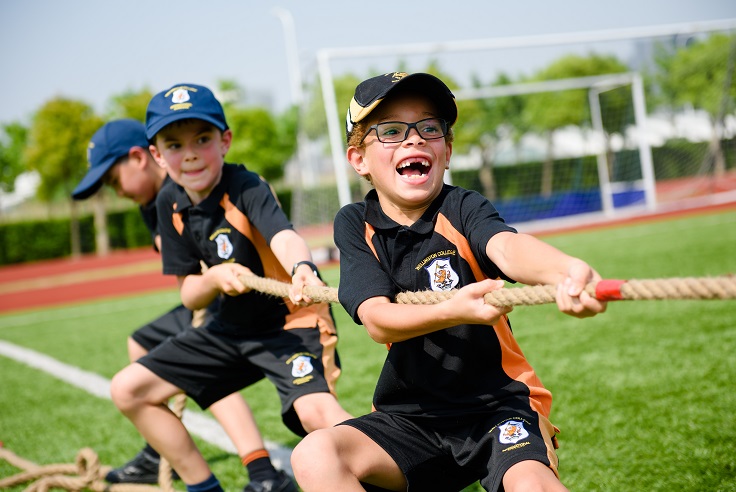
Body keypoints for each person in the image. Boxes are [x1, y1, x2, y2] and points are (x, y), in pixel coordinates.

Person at [290, 72, 609, 492]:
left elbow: (507, 248)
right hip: (410, 417)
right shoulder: (355, 223)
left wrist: (565, 269)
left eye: (429, 128)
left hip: (498, 409)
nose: (414, 140)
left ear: (447, 149)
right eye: (390, 131)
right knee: (315, 454)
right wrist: (453, 310)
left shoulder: (462, 206)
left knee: (533, 485)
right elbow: (378, 320)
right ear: (359, 159)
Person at [109, 83, 353, 492]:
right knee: (129, 389)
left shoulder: (246, 186)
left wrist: (303, 269)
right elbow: (188, 292)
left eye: (202, 140)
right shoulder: (169, 201)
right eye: (174, 144)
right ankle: (205, 487)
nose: (189, 154)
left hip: (288, 325)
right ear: (156, 155)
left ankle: (394, 458)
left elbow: (285, 236)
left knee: (314, 413)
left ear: (225, 141)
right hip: (227, 329)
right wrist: (212, 279)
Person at [72, 119, 295, 491]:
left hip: (249, 306)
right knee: (141, 342)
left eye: (114, 180)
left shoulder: (186, 187)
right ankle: (159, 450)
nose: (116, 192)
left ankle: (261, 471)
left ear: (141, 158)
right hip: (211, 297)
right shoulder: (155, 202)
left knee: (200, 360)